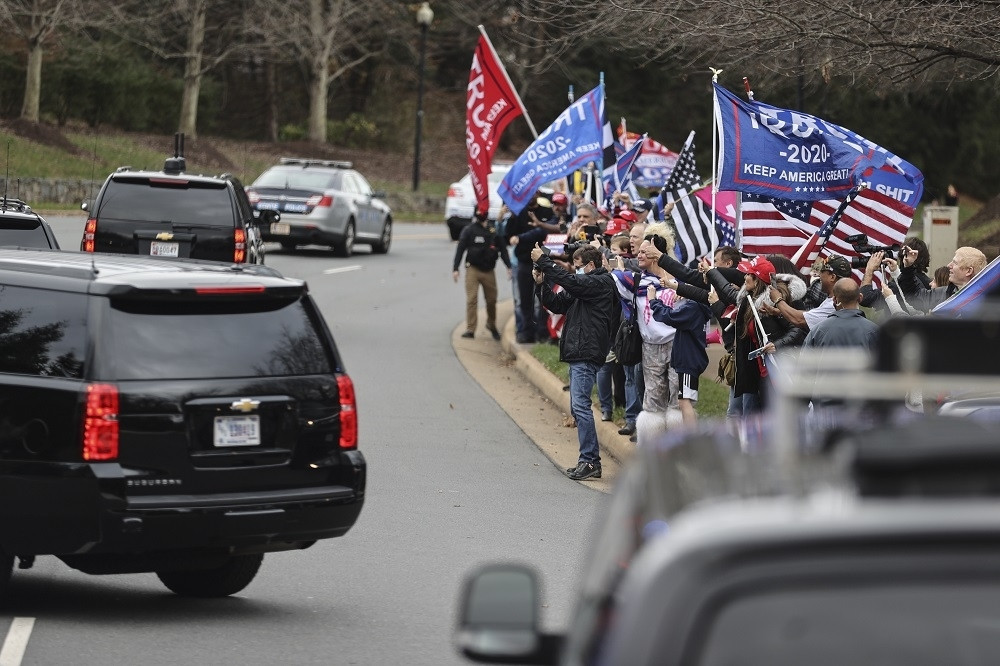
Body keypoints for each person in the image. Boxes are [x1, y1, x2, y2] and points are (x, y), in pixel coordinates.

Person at [530, 244, 618, 481]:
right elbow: (557, 303)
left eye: (578, 267)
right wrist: (541, 283)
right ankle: (591, 460)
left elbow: (573, 282)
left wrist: (546, 261)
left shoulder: (601, 283)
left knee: (580, 406)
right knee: (577, 407)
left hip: (587, 351)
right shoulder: (583, 287)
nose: (576, 271)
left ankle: (589, 460)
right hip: (578, 350)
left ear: (590, 266)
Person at [646, 287, 713, 427]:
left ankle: (692, 443)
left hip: (688, 362)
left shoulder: (693, 307)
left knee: (685, 401)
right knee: (684, 400)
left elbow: (669, 316)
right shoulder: (697, 306)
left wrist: (653, 300)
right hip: (690, 360)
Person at [453, 209, 512, 339]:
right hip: (473, 269)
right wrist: (455, 268)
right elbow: (461, 248)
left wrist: (509, 266)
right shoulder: (469, 230)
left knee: (491, 300)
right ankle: (470, 329)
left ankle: (491, 324)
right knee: (472, 299)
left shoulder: (493, 231)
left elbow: (502, 248)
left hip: (488, 270)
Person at [769, 254, 853, 330]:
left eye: (822, 271)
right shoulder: (835, 301)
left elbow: (799, 320)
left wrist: (778, 300)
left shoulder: (834, 304)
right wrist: (780, 312)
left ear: (832, 277)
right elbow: (811, 315)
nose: (819, 275)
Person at [898, 245, 988, 312]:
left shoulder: (986, 303)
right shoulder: (943, 293)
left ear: (968, 271)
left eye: (955, 263)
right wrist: (908, 267)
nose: (949, 266)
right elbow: (914, 296)